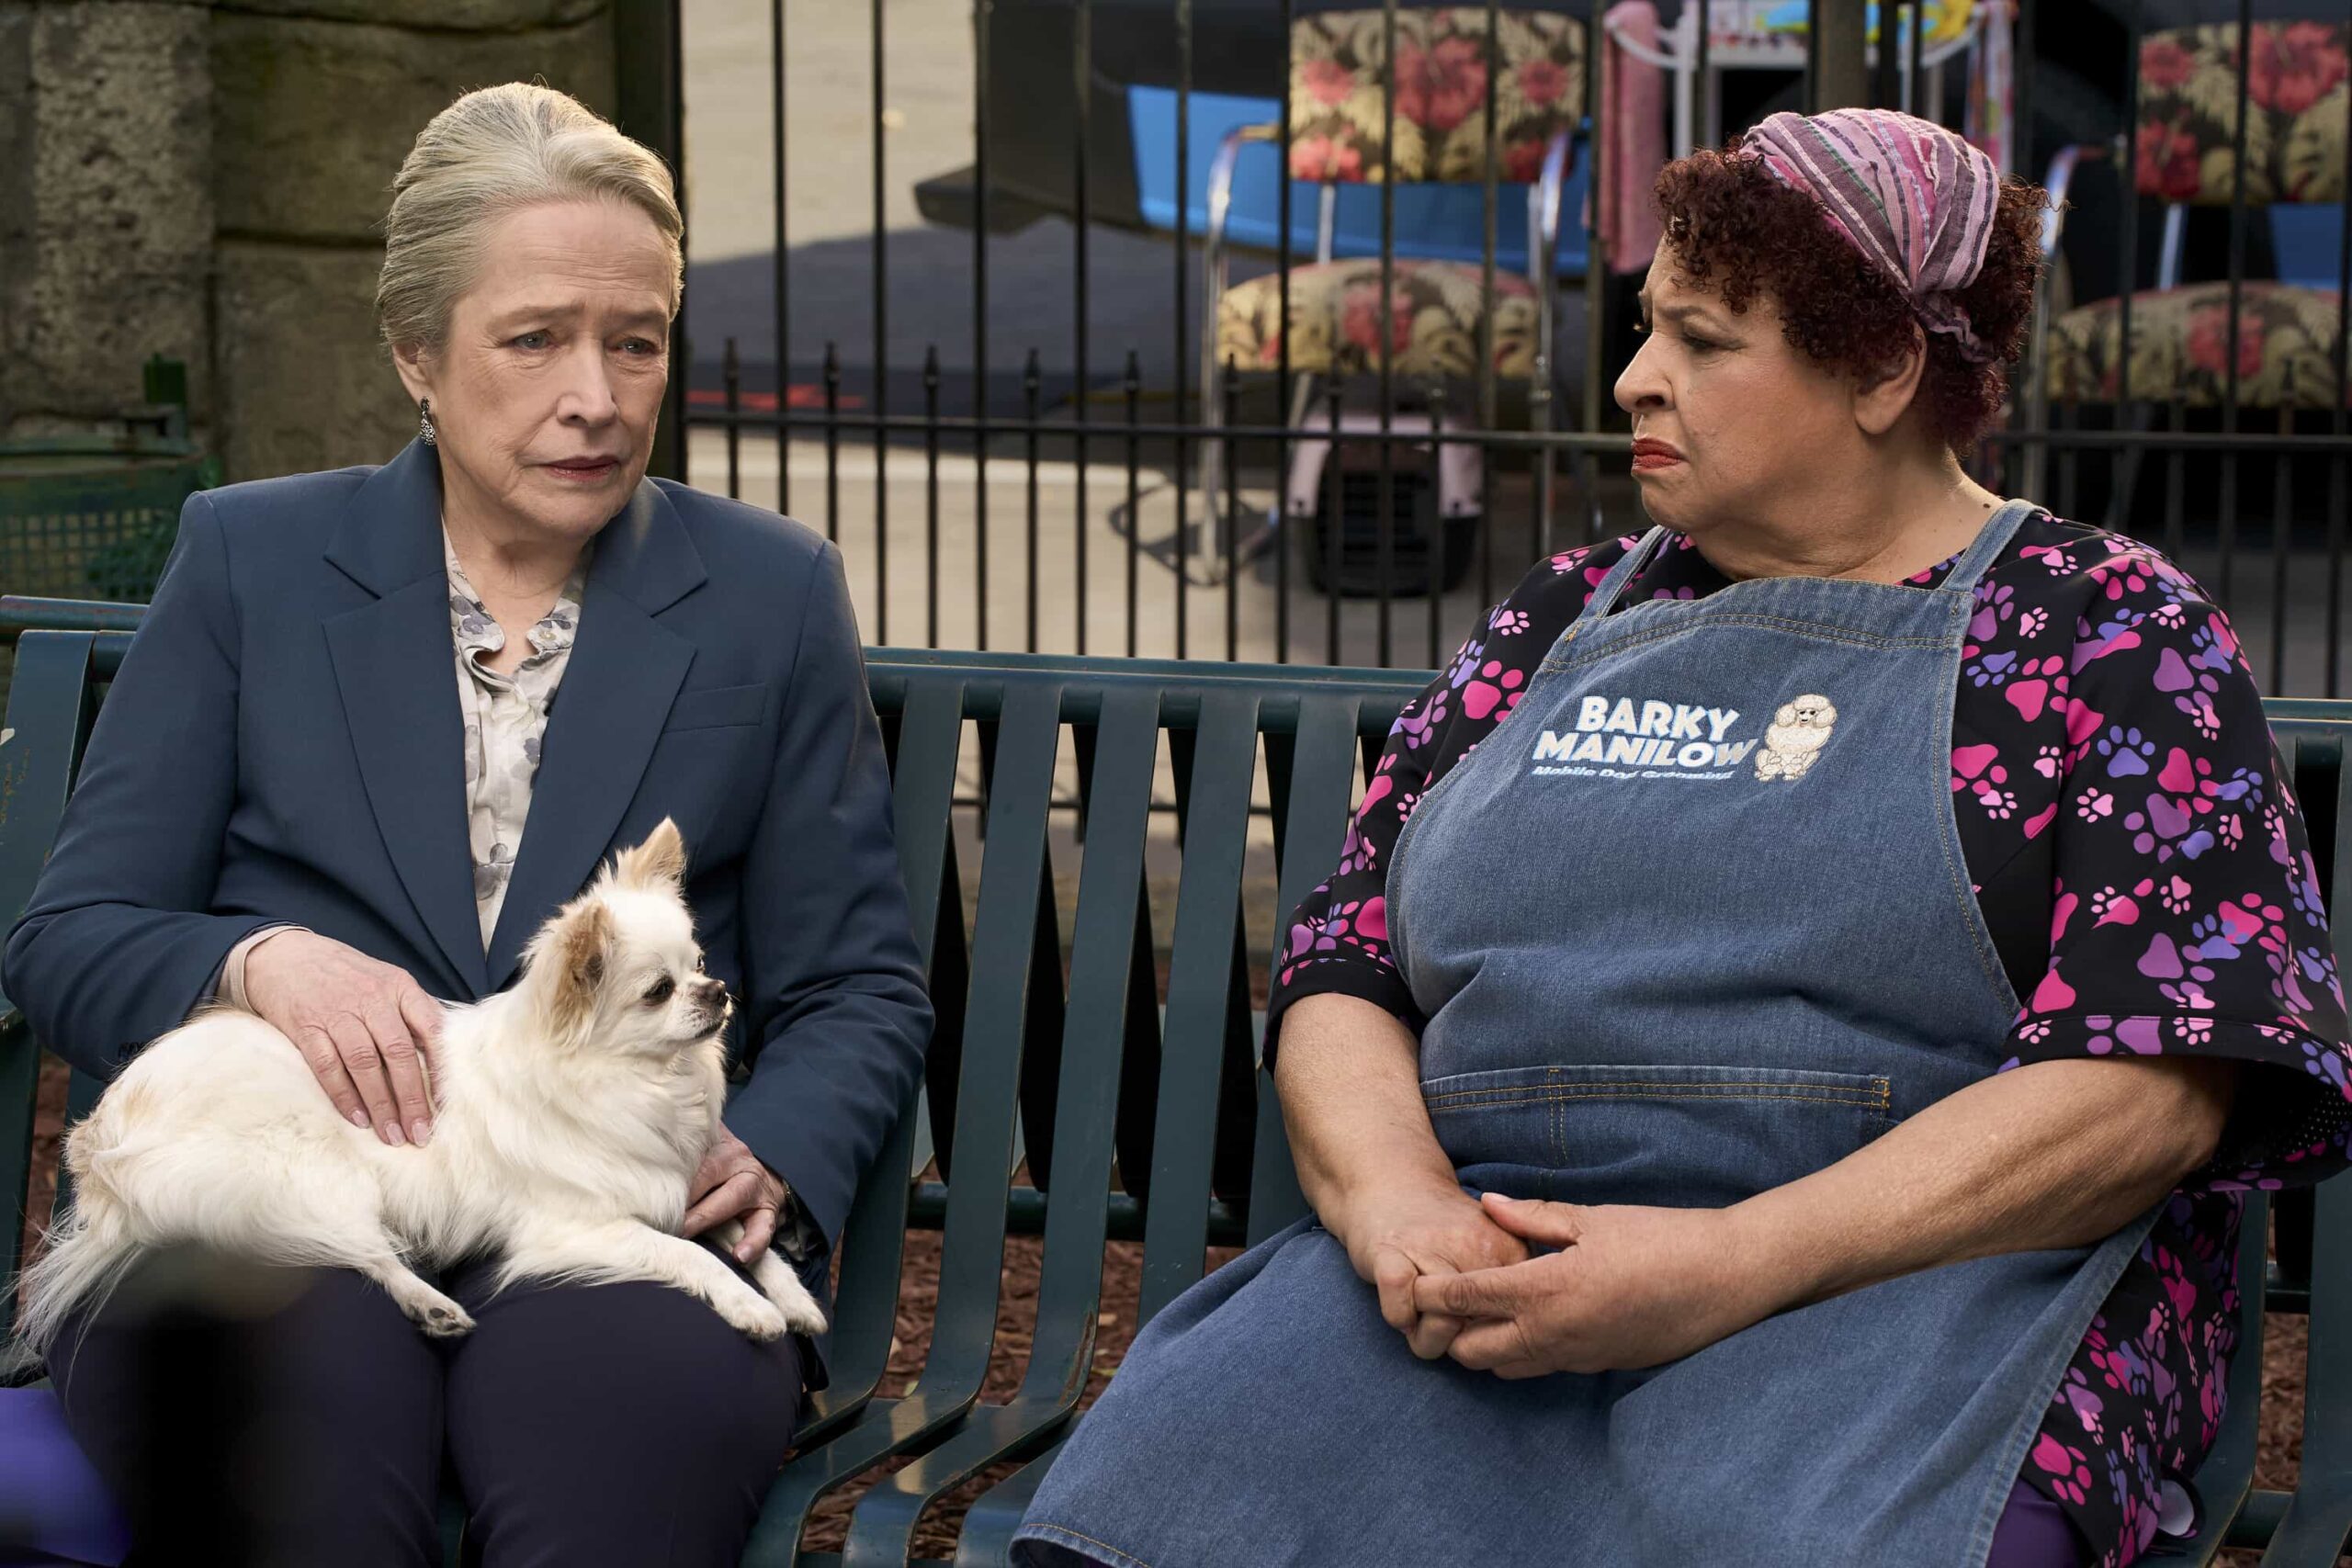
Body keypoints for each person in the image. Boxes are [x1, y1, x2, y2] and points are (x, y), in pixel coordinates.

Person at [1013, 109, 2352, 1568]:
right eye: (1649, 326)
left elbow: (2154, 1087)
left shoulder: (2109, 630)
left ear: (1886, 368)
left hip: (1919, 1308)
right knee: (1170, 1499)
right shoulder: (1558, 617)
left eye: (1705, 341)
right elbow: (1346, 967)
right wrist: (1400, 1205)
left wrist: (1728, 1264)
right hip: (1484, 1281)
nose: (1634, 378)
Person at [2, 83, 932, 1567]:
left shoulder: (768, 593)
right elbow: (72, 939)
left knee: (609, 1490)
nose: (600, 395)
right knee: (296, 1491)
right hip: (271, 1212)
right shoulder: (253, 562)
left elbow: (856, 984)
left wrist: (773, 1140)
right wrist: (258, 963)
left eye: (637, 341)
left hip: (608, 1216)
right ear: (416, 358)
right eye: (535, 338)